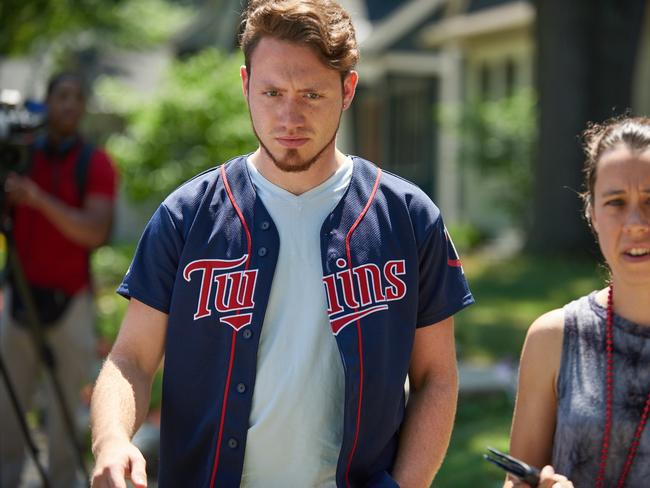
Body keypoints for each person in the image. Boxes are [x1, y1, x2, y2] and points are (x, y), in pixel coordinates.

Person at [89, 1, 474, 487]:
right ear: (246, 85)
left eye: (311, 94)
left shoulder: (407, 218)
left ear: (347, 89)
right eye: (272, 92)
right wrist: (112, 440)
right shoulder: (187, 216)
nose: (289, 116)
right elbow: (131, 359)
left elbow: (436, 377)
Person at [506, 116, 650, 488]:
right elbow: (517, 482)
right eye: (616, 202)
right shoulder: (553, 338)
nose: (636, 222)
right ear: (592, 213)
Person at [0, 72, 118, 487]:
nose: (68, 105)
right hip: (18, 298)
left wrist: (36, 199)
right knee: (6, 413)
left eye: (76, 97)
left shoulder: (96, 163)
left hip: (71, 301)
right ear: (46, 102)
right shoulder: (19, 154)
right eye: (60, 96)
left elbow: (94, 231)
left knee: (66, 411)